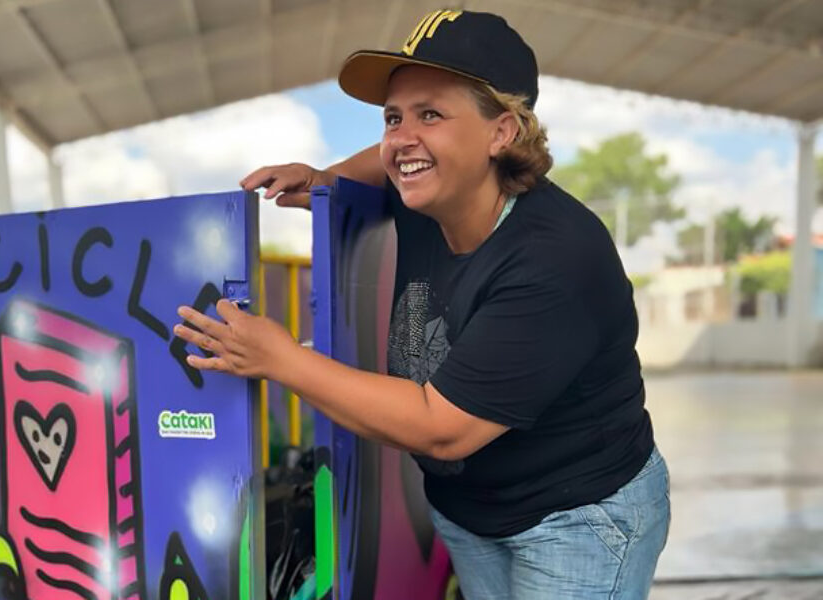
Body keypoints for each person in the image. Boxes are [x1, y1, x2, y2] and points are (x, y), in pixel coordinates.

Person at [172, 9, 669, 600]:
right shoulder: (428, 192)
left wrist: (279, 358)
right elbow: (391, 161)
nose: (401, 138)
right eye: (393, 117)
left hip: (576, 518)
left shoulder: (555, 258)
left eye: (431, 114)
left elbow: (442, 429)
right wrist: (328, 179)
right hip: (470, 511)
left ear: (502, 132)